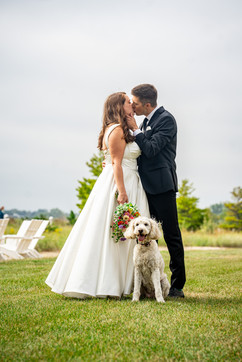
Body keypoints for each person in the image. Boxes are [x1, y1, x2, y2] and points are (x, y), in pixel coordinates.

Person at [45, 92, 149, 299]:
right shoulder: (117, 129)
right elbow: (116, 163)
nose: (132, 104)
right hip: (121, 182)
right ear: (119, 106)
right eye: (128, 102)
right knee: (115, 233)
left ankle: (122, 283)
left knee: (117, 233)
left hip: (127, 179)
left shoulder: (118, 128)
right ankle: (107, 284)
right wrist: (122, 191)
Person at [126, 84, 186, 298]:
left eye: (135, 103)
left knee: (171, 234)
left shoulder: (166, 120)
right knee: (145, 235)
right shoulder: (145, 122)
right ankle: (149, 286)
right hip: (145, 186)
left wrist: (135, 130)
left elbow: (150, 150)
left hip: (162, 186)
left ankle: (177, 286)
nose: (132, 106)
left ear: (147, 104)